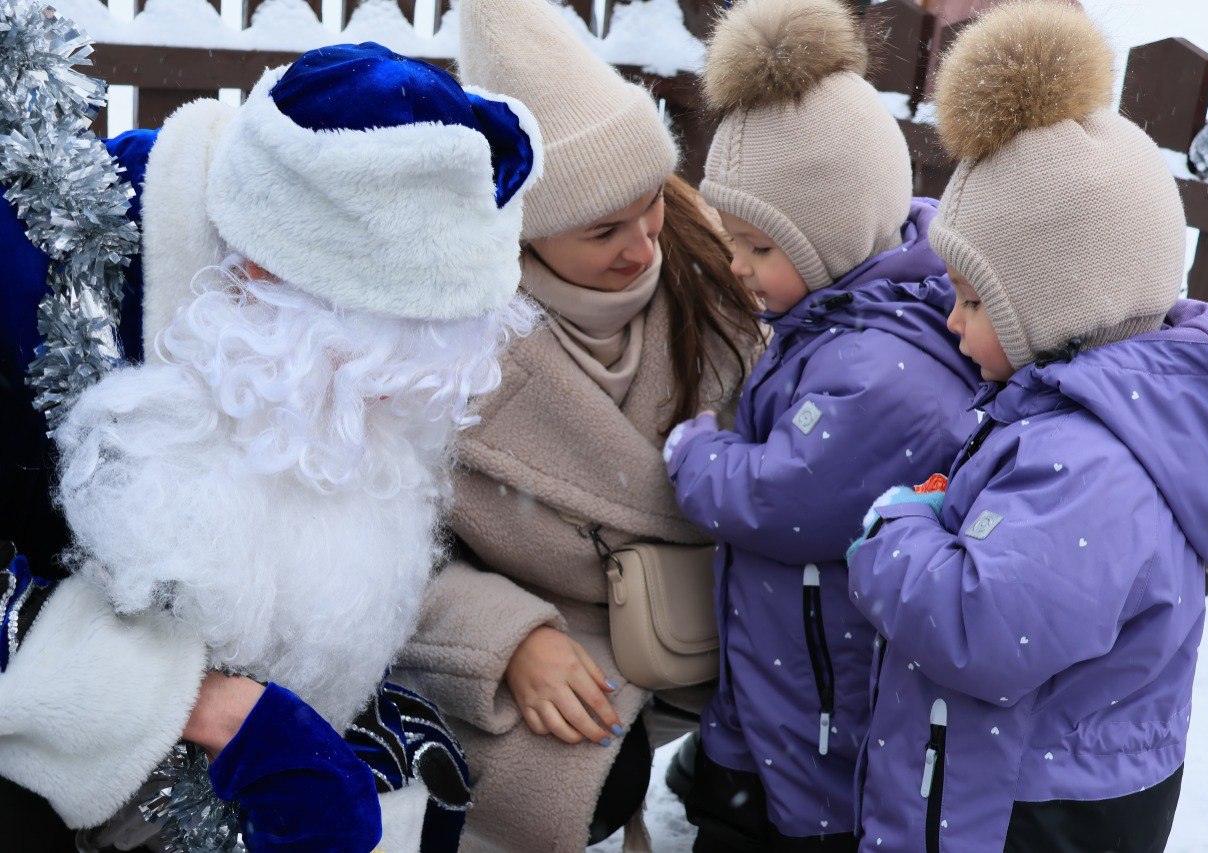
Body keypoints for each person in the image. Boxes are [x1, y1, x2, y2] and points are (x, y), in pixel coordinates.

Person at [2, 36, 542, 852]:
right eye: (380, 362)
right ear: (261, 274)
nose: (395, 402)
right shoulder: (40, 277)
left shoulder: (295, 351)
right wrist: (199, 701)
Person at [844, 3, 1208, 850]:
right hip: (1041, 789)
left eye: (974, 301)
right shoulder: (1087, 418)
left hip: (1024, 813)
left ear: (1061, 309)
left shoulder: (1090, 460)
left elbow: (981, 627)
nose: (951, 323)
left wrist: (893, 527)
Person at [388, 0, 764, 848]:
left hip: (716, 619)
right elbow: (383, 548)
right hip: (562, 635)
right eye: (603, 228)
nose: (643, 245)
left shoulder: (717, 274)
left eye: (650, 204)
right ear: (522, 231)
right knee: (583, 777)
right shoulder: (440, 351)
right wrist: (506, 640)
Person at [659, 0, 979, 848]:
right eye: (732, 241)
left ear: (831, 236)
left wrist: (697, 452)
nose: (736, 266)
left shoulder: (884, 371)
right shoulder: (839, 316)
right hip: (784, 676)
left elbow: (788, 495)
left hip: (824, 713)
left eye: (758, 248)